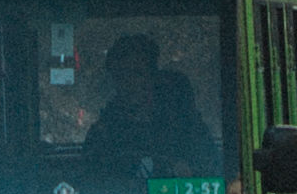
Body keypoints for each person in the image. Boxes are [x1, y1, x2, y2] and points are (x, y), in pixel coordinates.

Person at [77, 31, 222, 184]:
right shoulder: (102, 135)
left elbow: (212, 177)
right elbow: (92, 187)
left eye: (137, 73)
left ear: (152, 77)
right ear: (114, 81)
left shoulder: (186, 128)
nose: (130, 83)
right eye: (122, 75)